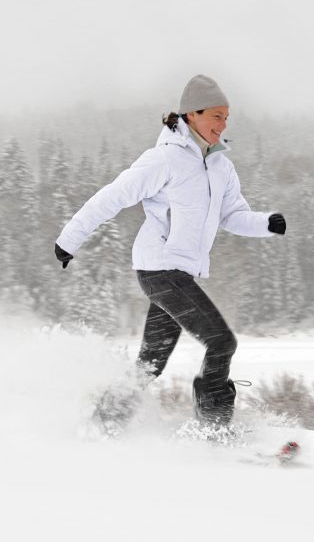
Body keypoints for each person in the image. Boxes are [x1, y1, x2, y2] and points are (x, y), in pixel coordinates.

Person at [54, 74, 286, 427]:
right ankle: (213, 429)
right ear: (192, 114)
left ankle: (103, 423)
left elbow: (231, 215)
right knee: (221, 342)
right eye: (216, 116)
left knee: (151, 363)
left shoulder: (221, 167)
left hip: (179, 274)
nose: (223, 125)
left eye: (226, 117)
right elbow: (112, 196)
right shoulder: (164, 160)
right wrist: (69, 239)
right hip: (159, 269)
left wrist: (266, 223)